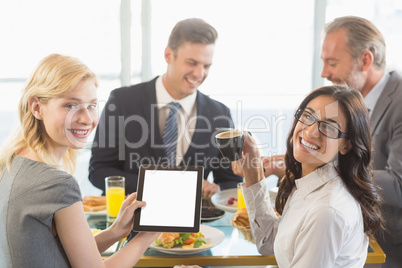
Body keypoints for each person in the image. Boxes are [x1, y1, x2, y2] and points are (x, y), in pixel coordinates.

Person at [0, 54, 159, 268]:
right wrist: (147, 235)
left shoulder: (11, 162)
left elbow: (55, 253)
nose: (87, 119)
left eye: (92, 106)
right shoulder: (56, 184)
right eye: (70, 106)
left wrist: (115, 232)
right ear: (37, 108)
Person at [89, 18, 242, 197]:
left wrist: (216, 192)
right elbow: (99, 170)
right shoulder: (122, 101)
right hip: (129, 219)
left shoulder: (220, 114)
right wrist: (171, 185)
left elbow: (231, 180)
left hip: (197, 223)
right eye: (192, 63)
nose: (199, 74)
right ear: (168, 55)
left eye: (206, 66)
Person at [238, 85, 384, 267]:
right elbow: (269, 243)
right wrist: (252, 169)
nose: (310, 131)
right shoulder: (310, 182)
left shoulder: (326, 211)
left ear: (346, 145)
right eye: (308, 116)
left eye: (329, 127)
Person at [320, 16, 402, 268]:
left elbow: (399, 184)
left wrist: (331, 170)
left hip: (389, 249)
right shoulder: (352, 102)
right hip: (354, 239)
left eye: (332, 62)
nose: (325, 73)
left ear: (366, 59)